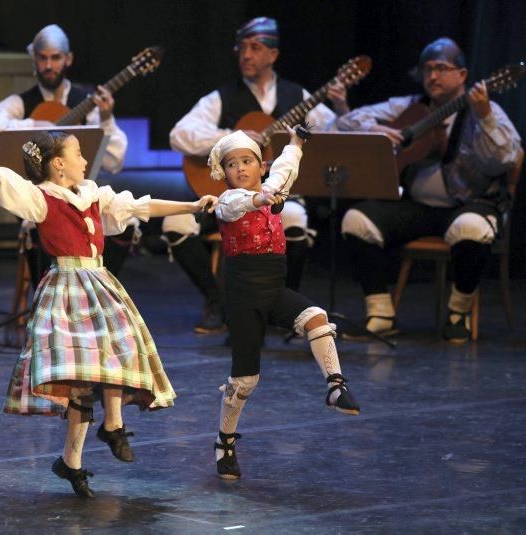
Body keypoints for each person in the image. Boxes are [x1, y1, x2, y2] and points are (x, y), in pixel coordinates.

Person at [0, 129, 218, 498]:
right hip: (66, 288)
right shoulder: (41, 198)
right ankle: (74, 461)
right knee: (79, 377)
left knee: (117, 351)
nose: (84, 160)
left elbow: (141, 206)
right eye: (77, 153)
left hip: (99, 282)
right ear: (58, 164)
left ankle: (112, 425)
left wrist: (191, 206)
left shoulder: (94, 193)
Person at [168, 16, 350, 334]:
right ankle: (217, 301)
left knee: (293, 217)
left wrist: (341, 105)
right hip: (227, 197)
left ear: (273, 55)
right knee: (176, 222)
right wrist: (233, 137)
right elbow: (179, 135)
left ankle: (280, 305)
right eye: (241, 48)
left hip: (273, 196)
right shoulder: (221, 97)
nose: (246, 55)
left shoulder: (299, 96)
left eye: (255, 48)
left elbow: (337, 135)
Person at [337, 37, 522, 344]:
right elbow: (345, 121)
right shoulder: (409, 105)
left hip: (469, 203)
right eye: (427, 70)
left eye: (441, 68)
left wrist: (486, 116)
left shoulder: (484, 108)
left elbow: (508, 157)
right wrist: (375, 128)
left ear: (462, 75)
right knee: (356, 219)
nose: (432, 76)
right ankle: (381, 314)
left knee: (471, 228)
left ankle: (457, 312)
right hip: (419, 208)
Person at [208, 127, 360, 480]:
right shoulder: (228, 201)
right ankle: (224, 442)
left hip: (274, 290)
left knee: (317, 317)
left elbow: (286, 168)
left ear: (260, 166)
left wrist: (296, 143)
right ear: (225, 172)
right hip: (244, 299)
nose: (240, 169)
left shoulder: (271, 183)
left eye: (247, 162)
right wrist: (263, 198)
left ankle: (336, 387)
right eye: (232, 165)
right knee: (245, 380)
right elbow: (243, 203)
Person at [0, 24, 135, 279]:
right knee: (39, 220)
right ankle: (47, 297)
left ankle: (99, 286)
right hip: (40, 197)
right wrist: (34, 125)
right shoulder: (21, 103)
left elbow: (115, 161)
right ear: (34, 60)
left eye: (55, 57)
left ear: (68, 59)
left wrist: (105, 118)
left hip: (81, 198)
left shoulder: (88, 103)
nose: (49, 65)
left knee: (126, 223)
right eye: (43, 58)